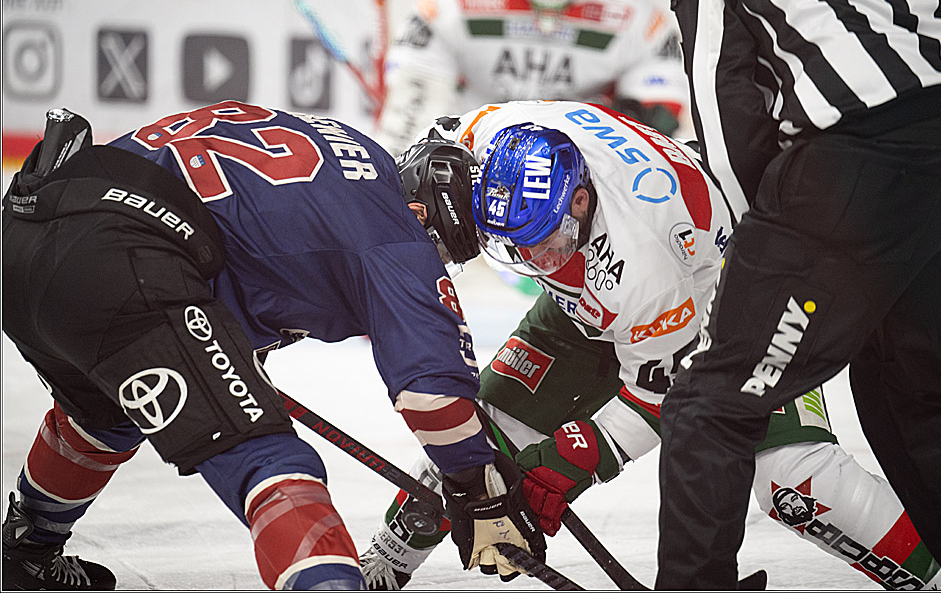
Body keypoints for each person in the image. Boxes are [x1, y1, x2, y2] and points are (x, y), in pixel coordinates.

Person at [358, 100, 941, 591]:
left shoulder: (640, 263)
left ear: (581, 201)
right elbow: (433, 159)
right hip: (592, 311)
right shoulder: (490, 138)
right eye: (517, 245)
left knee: (793, 480)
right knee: (474, 437)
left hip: (732, 308)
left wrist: (572, 463)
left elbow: (660, 395)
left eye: (549, 241)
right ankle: (383, 565)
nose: (537, 261)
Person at [1, 102, 544, 590]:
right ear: (428, 218)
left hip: (28, 228)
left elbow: (240, 225)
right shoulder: (396, 236)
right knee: (268, 455)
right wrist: (477, 484)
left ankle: (25, 548)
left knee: (104, 411)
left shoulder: (341, 143)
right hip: (124, 256)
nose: (446, 264)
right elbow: (434, 397)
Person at [659, 0, 941, 589]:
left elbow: (721, 97)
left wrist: (763, 224)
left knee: (712, 403)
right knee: (909, 392)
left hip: (851, 171)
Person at [373, 0, 691, 157]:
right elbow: (416, 65)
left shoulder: (628, 12)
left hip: (579, 146)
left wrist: (630, 126)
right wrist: (412, 141)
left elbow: (663, 88)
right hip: (476, 136)